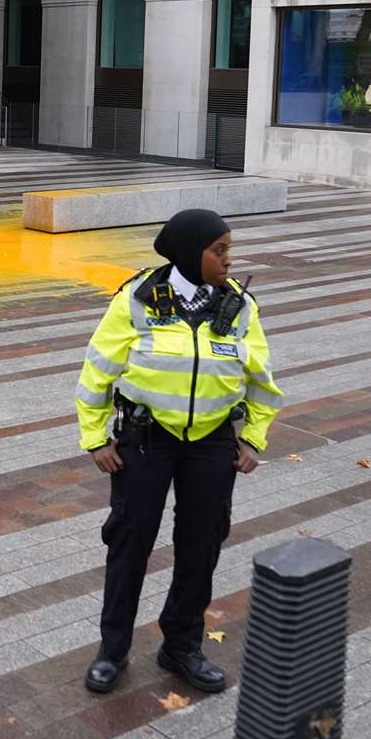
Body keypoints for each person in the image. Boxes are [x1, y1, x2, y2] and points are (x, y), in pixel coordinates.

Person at [77, 209, 283, 695]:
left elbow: (262, 378)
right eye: (220, 250)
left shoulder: (239, 306)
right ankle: (113, 649)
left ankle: (182, 645)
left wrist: (254, 435)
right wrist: (95, 437)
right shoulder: (138, 299)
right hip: (145, 440)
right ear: (192, 253)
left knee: (201, 544)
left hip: (211, 443)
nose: (228, 259)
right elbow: (97, 370)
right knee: (130, 543)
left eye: (229, 249)